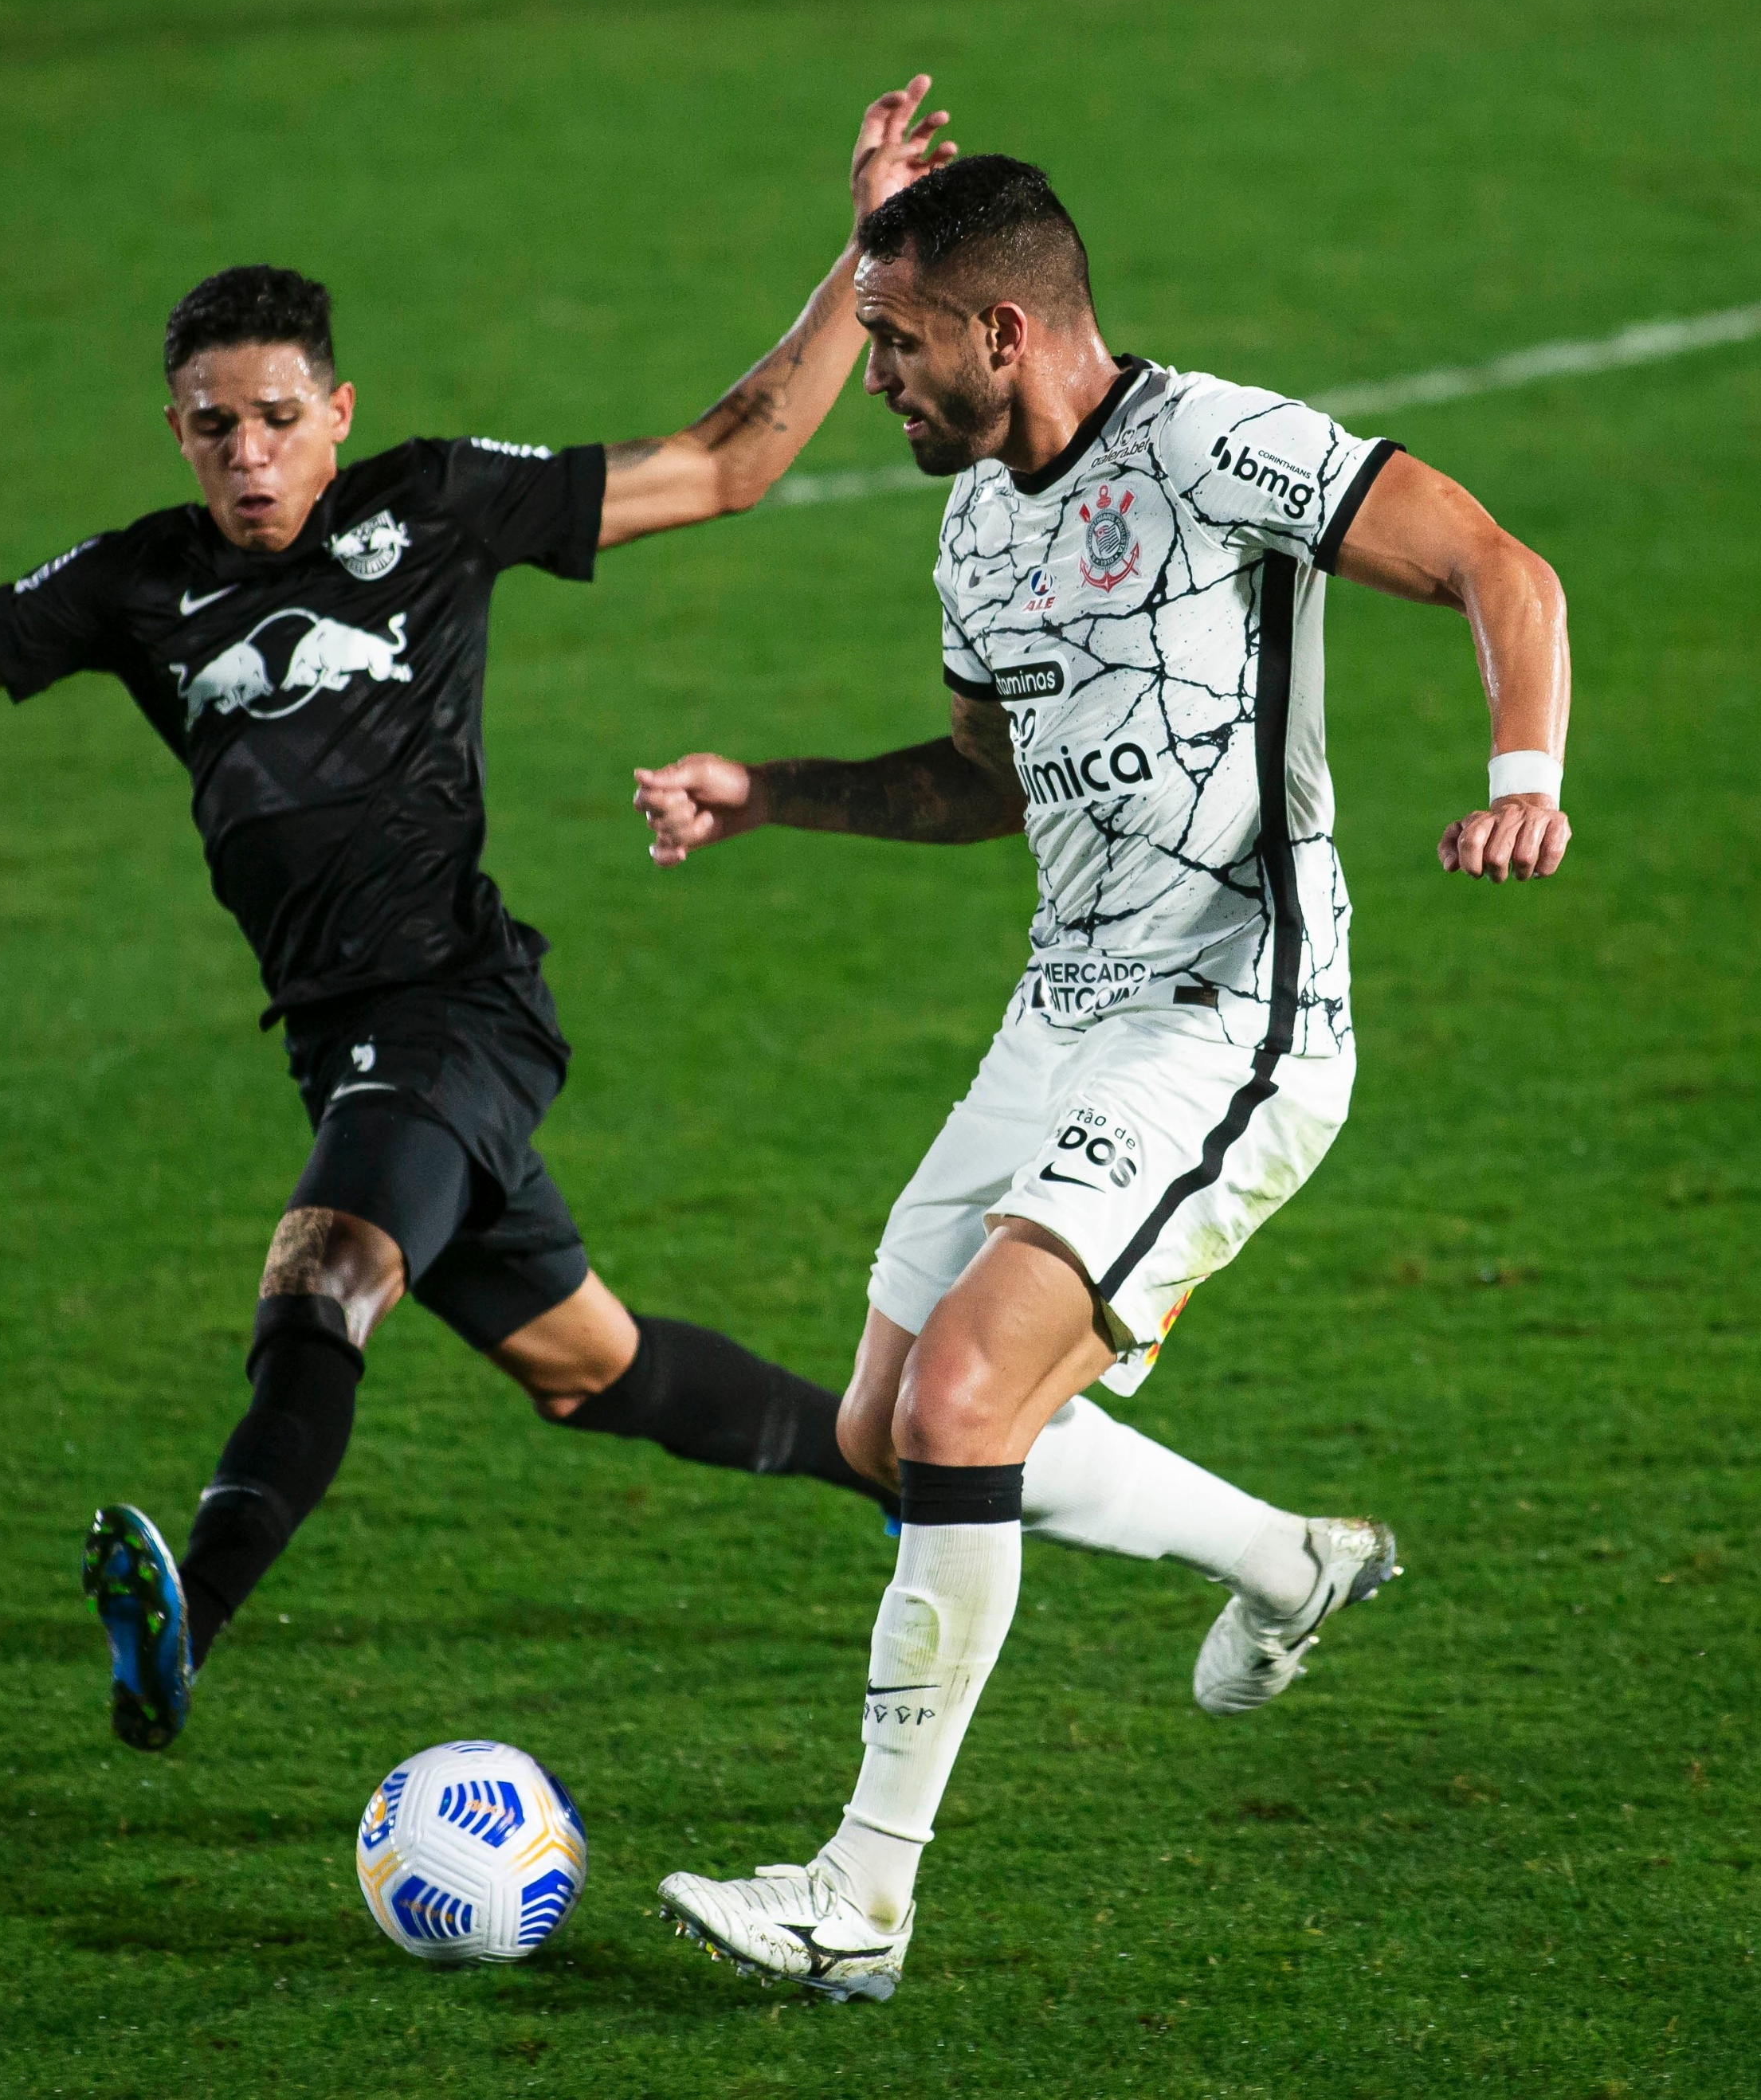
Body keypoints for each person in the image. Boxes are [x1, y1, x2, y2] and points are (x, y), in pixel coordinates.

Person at [0, 80, 963, 1755]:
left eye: (277, 418)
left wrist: (862, 240)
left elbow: (726, 463)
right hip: (338, 1044)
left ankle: (183, 1622)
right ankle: (904, 1474)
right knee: (590, 1368)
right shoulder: (135, 585)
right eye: (212, 426)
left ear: (337, 411)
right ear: (176, 433)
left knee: (323, 1273)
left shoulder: (427, 508)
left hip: (448, 1010)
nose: (248, 454)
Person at [635, 153, 1571, 2000]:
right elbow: (983, 783)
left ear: (1004, 327)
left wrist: (1522, 779)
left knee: (968, 1401)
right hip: (1056, 1010)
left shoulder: (1210, 444)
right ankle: (1287, 1562)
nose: (874, 375)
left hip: (1234, 1016)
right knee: (876, 1429)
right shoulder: (975, 520)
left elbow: (1491, 560)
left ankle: (859, 1895)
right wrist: (772, 793)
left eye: (893, 340)